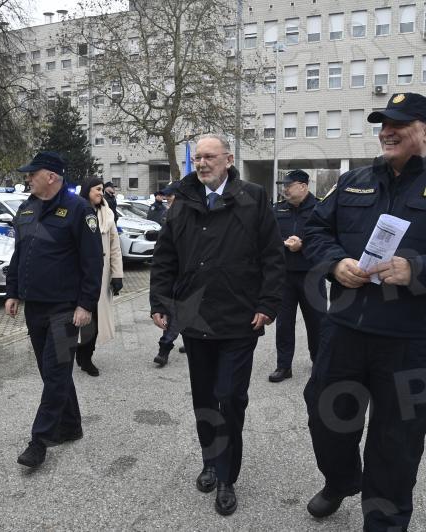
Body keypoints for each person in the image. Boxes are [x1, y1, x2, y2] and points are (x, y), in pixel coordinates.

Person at [302, 93, 426, 531]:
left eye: (399, 124)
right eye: (383, 125)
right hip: (345, 329)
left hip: (412, 340)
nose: (387, 132)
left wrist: (418, 269)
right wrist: (335, 263)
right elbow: (315, 230)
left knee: (397, 442)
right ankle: (341, 479)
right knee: (325, 416)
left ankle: (384, 523)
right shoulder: (353, 181)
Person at [150, 134, 285, 516]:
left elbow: (273, 256)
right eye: (197, 158)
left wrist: (268, 303)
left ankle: (227, 477)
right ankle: (210, 461)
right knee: (204, 398)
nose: (202, 163)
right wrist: (159, 301)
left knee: (231, 398)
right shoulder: (182, 201)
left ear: (228, 159)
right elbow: (165, 256)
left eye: (209, 156)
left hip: (240, 319)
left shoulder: (253, 197)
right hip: (195, 318)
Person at [5, 151, 103, 468]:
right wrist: (12, 292)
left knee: (57, 372)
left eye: (32, 174)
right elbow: (19, 254)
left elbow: (92, 262)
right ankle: (71, 426)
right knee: (52, 373)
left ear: (50, 176)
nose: (27, 178)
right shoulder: (26, 208)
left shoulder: (78, 209)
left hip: (65, 309)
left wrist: (86, 304)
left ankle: (40, 441)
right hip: (35, 306)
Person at [268, 169, 326, 382]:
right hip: (284, 276)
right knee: (284, 323)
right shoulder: (277, 208)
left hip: (312, 275)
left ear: (303, 186)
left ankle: (319, 363)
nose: (284, 189)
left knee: (317, 322)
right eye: (283, 186)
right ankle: (284, 366)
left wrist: (303, 245)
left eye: (288, 185)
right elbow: (269, 236)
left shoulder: (321, 208)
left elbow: (327, 237)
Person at [75, 178, 124, 377]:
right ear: (87, 190)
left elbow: (115, 246)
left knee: (95, 319)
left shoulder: (107, 214)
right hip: (78, 275)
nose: (101, 193)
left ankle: (87, 356)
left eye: (102, 189)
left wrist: (117, 275)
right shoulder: (76, 211)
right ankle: (78, 351)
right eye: (97, 189)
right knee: (79, 318)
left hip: (101, 276)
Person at [152, 181, 184, 367]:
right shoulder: (169, 216)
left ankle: (165, 347)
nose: (167, 200)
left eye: (170, 197)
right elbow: (162, 258)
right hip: (173, 274)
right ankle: (165, 347)